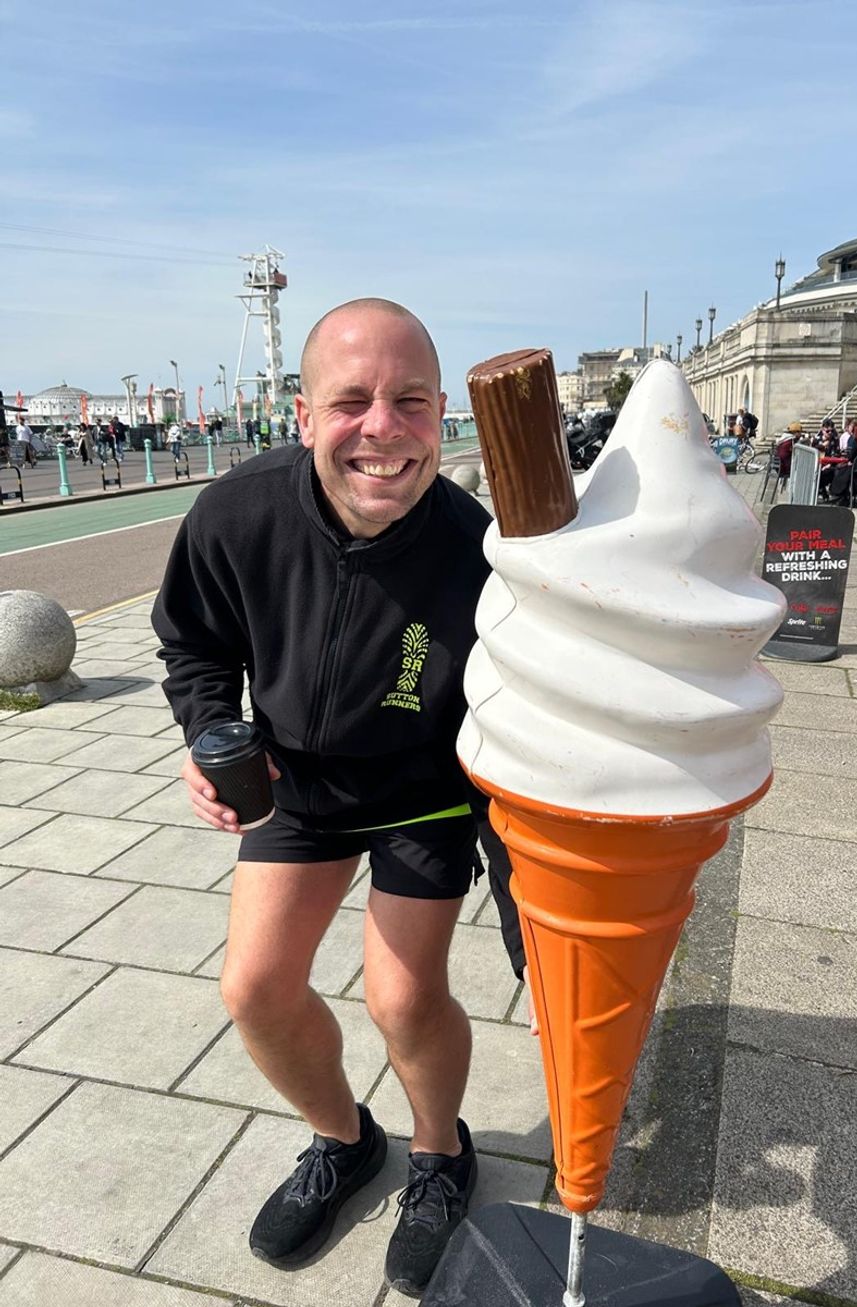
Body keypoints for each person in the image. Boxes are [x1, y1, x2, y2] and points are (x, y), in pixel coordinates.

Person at [151, 299, 525, 1296]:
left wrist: (524, 880)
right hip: (297, 787)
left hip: (421, 792)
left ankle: (441, 1153)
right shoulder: (238, 510)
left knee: (400, 995)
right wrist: (206, 732)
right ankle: (343, 1139)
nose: (380, 428)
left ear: (441, 411)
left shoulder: (471, 544)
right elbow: (192, 642)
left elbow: (513, 708)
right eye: (350, 401)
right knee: (256, 988)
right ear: (304, 413)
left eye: (407, 401)